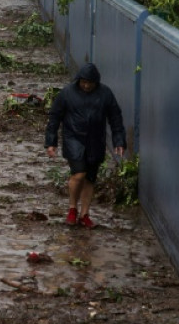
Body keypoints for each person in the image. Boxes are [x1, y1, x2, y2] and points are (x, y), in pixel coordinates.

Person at [44, 63, 126, 228]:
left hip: (96, 140)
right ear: (78, 80)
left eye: (90, 83)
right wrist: (51, 142)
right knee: (79, 174)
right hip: (73, 138)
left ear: (96, 82)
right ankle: (72, 209)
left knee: (90, 178)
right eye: (83, 82)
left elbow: (115, 117)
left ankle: (85, 214)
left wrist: (119, 140)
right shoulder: (67, 93)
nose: (86, 86)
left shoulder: (105, 94)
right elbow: (54, 118)